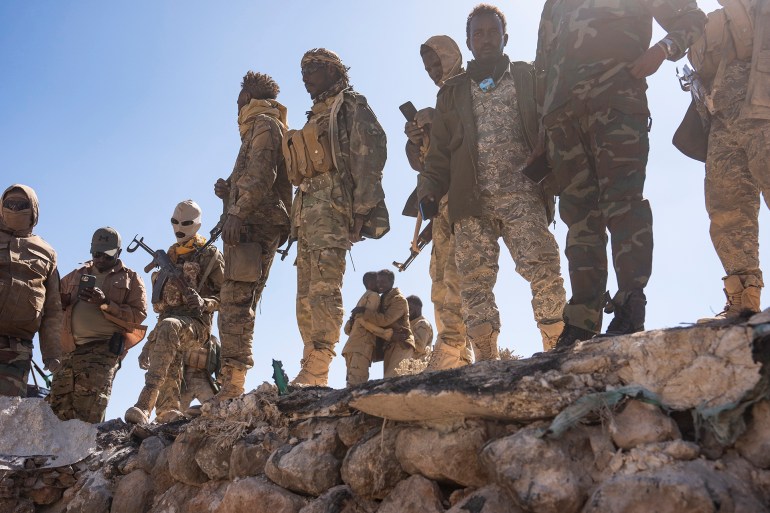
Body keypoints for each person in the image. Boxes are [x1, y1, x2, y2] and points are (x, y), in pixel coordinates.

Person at [535, 0, 706, 347]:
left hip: (616, 100)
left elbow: (692, 17)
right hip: (562, 120)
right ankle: (582, 318)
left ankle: (630, 305)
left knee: (623, 202)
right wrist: (542, 129)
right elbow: (544, 65)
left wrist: (662, 49)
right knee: (579, 217)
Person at [418, 4, 567, 360]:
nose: (485, 39)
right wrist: (429, 190)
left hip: (523, 193)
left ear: (505, 37)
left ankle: (557, 344)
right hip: (470, 201)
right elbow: (438, 153)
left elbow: (553, 121)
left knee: (544, 268)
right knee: (475, 282)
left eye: (492, 32)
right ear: (468, 43)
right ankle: (486, 356)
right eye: (478, 34)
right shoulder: (451, 92)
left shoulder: (528, 76)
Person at [287, 48, 388, 386]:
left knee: (325, 288)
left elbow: (369, 155)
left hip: (334, 209)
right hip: (308, 215)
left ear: (333, 70)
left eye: (312, 68)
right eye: (302, 70)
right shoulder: (314, 114)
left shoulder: (350, 104)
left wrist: (360, 211)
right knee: (304, 295)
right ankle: (310, 362)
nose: (305, 76)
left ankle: (319, 361)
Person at [685, 0, 769, 318]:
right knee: (726, 208)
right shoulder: (713, 21)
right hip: (722, 115)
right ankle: (743, 299)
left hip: (763, 103)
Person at [212, 71, 292, 401]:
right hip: (250, 223)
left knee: (235, 302)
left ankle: (232, 385)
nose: (235, 104)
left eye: (238, 98)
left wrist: (236, 212)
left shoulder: (264, 124)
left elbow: (262, 174)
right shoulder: (259, 126)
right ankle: (231, 382)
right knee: (239, 300)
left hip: (254, 225)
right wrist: (227, 194)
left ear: (248, 97)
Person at [404, 35, 473, 370]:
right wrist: (418, 139)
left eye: (437, 63)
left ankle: (455, 348)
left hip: (470, 200)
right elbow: (428, 165)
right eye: (428, 67)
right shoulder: (442, 98)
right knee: (440, 280)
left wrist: (438, 120)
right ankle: (458, 356)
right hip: (443, 207)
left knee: (462, 278)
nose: (433, 71)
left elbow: (476, 137)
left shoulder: (472, 85)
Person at [125, 200, 223, 424]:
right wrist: (149, 344)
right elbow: (164, 314)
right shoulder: (170, 256)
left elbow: (226, 297)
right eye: (174, 222)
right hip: (171, 325)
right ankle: (167, 411)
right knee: (170, 333)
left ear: (197, 225)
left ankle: (144, 403)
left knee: (171, 326)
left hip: (198, 325)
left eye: (186, 223)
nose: (179, 228)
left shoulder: (210, 256)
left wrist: (203, 302)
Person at [49, 227, 147, 423]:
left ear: (118, 252)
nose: (101, 259)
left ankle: (86, 453)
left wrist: (105, 303)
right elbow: (53, 304)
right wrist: (62, 301)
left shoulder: (132, 279)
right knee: (58, 413)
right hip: (68, 350)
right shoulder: (76, 274)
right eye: (97, 254)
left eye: (108, 254)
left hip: (102, 351)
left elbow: (138, 316)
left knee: (88, 415)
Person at [0, 184, 62, 397]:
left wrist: (52, 354)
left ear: (33, 210)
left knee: (5, 415)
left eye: (22, 205)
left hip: (17, 349)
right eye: (10, 204)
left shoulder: (47, 252)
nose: (15, 209)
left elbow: (53, 309)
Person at [342, 269, 414, 385]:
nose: (380, 285)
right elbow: (354, 325)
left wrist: (363, 312)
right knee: (388, 381)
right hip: (388, 344)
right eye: (378, 281)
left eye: (383, 282)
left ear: (391, 282)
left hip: (401, 342)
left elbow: (385, 320)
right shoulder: (381, 298)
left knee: (394, 381)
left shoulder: (398, 299)